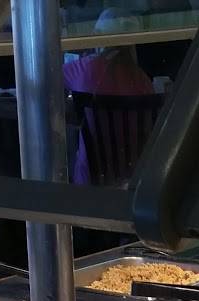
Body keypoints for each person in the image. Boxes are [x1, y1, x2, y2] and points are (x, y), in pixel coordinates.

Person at [62, 9, 155, 185]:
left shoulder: (85, 68)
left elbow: (48, 76)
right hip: (133, 181)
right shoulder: (143, 79)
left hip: (90, 181)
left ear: (99, 36)